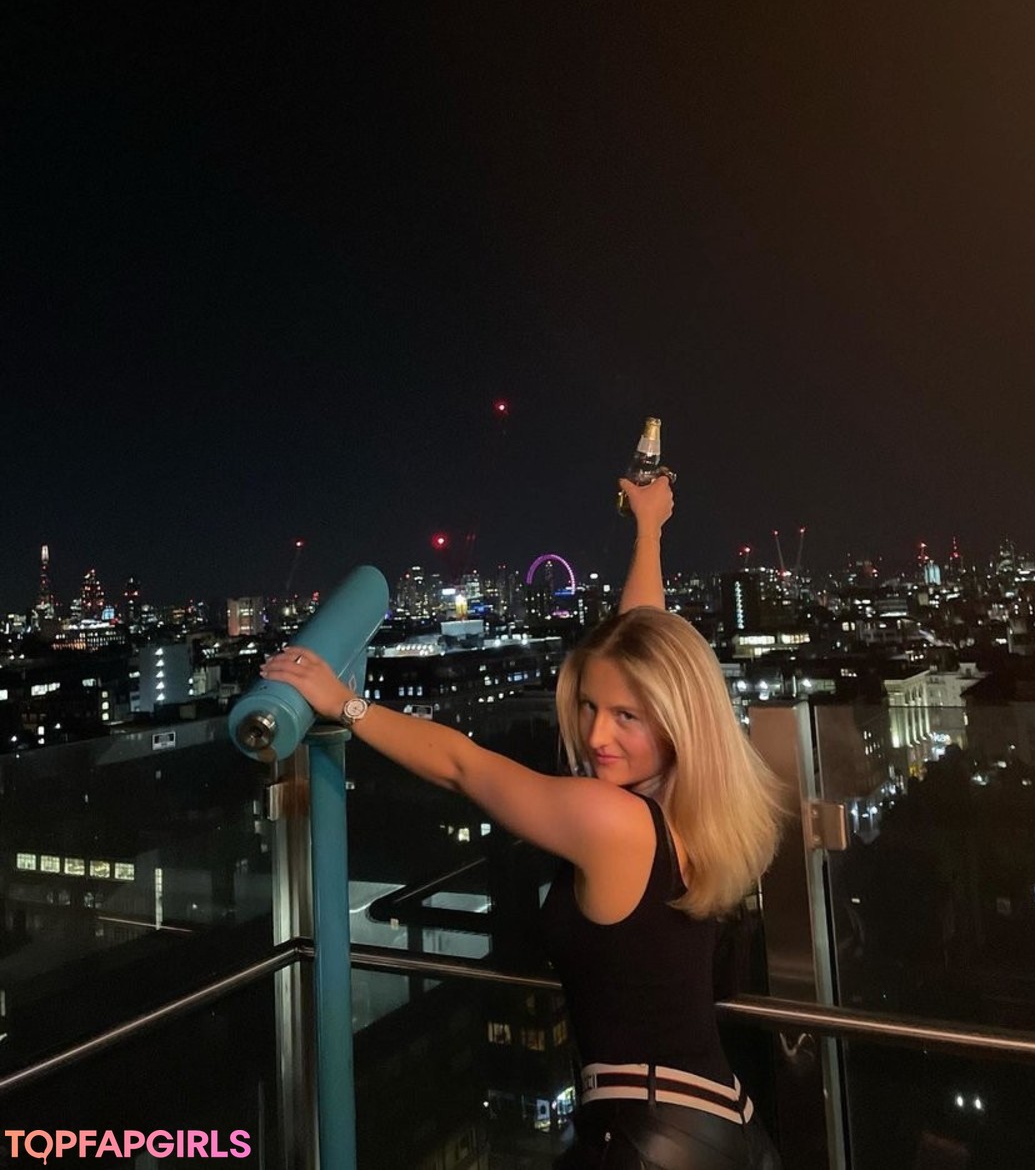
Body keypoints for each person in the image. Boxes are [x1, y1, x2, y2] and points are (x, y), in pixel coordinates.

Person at [261, 474, 785, 1169]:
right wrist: (648, 530)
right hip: (724, 1124)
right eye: (590, 707)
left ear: (674, 716)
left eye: (625, 717)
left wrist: (344, 704)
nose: (596, 734)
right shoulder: (690, 805)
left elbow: (463, 767)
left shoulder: (613, 819)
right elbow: (646, 644)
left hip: (647, 1139)